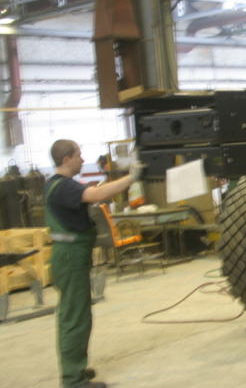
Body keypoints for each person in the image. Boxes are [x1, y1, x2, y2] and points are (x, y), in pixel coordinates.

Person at [45, 140, 144, 388]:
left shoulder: (54, 184)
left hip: (69, 255)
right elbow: (97, 195)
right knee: (75, 317)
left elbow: (92, 193)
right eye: (78, 155)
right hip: (71, 256)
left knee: (76, 314)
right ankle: (73, 379)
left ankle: (76, 368)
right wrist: (131, 177)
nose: (82, 159)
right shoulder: (65, 186)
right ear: (66, 159)